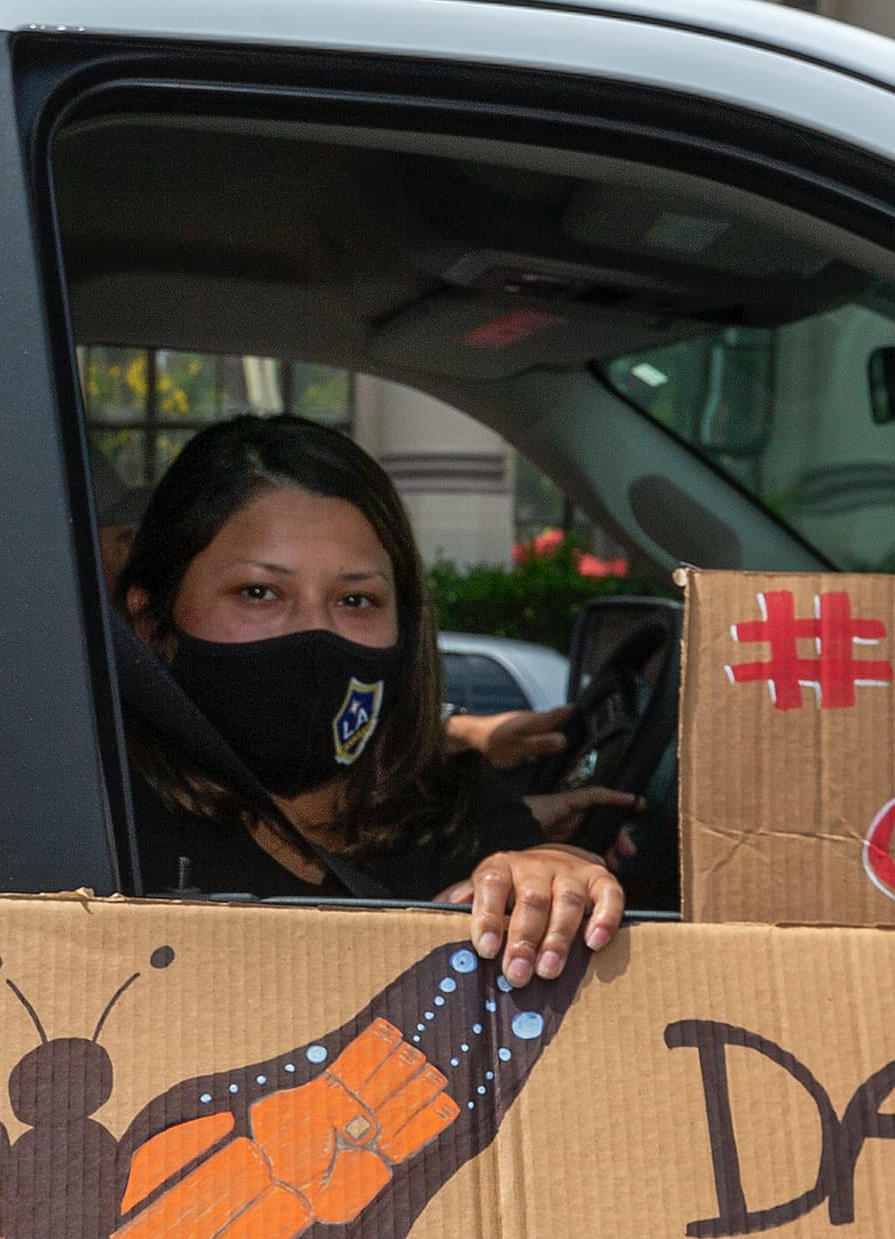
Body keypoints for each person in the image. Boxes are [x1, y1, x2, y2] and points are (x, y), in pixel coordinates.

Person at [119, 416, 632, 987]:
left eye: (356, 600)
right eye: (258, 593)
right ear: (149, 622)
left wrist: (550, 878)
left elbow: (536, 901)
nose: (315, 636)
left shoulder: (455, 816)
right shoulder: (109, 821)